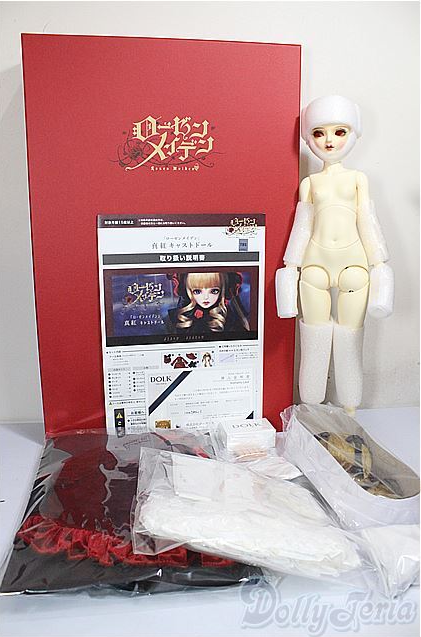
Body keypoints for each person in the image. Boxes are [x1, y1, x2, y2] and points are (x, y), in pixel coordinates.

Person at [276, 95, 394, 415]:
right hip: (314, 265)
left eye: (339, 132)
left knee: (350, 340)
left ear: (354, 133)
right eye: (318, 133)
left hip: (354, 265)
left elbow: (367, 220)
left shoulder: (358, 179)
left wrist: (380, 265)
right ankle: (311, 408)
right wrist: (290, 268)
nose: (328, 140)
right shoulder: (310, 183)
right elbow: (302, 226)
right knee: (313, 340)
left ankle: (350, 410)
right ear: (308, 137)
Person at [169, 272, 250, 334]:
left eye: (214, 291)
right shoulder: (179, 317)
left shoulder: (230, 320)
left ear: (222, 290)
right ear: (189, 291)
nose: (206, 297)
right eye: (197, 291)